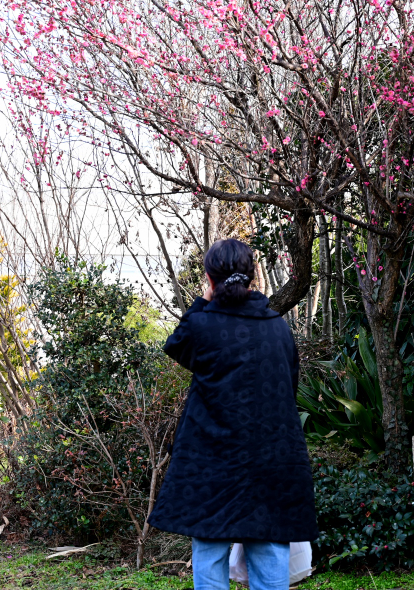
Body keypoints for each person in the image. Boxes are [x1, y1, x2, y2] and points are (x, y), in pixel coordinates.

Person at [148, 238, 318, 590]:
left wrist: (204, 299)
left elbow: (176, 345)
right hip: (271, 459)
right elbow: (289, 388)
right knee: (269, 547)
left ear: (210, 278)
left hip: (211, 461)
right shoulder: (277, 326)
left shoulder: (202, 325)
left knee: (210, 546)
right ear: (252, 276)